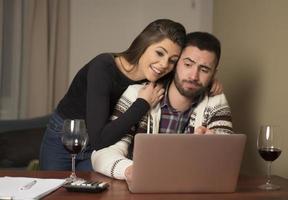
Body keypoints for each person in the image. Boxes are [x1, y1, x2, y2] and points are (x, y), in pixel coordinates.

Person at [39, 19, 187, 171]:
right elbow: (99, 139)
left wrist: (210, 85)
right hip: (65, 139)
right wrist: (143, 103)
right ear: (144, 44)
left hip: (102, 150)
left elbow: (189, 76)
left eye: (172, 60)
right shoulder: (103, 67)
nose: (164, 64)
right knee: (53, 192)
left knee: (97, 194)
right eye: (159, 53)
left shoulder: (159, 77)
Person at [91, 32, 233, 180]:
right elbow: (102, 153)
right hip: (142, 189)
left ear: (213, 74)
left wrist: (213, 150)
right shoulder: (136, 95)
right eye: (188, 64)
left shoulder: (216, 101)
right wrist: (131, 171)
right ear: (175, 63)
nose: (193, 76)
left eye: (204, 70)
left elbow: (228, 164)